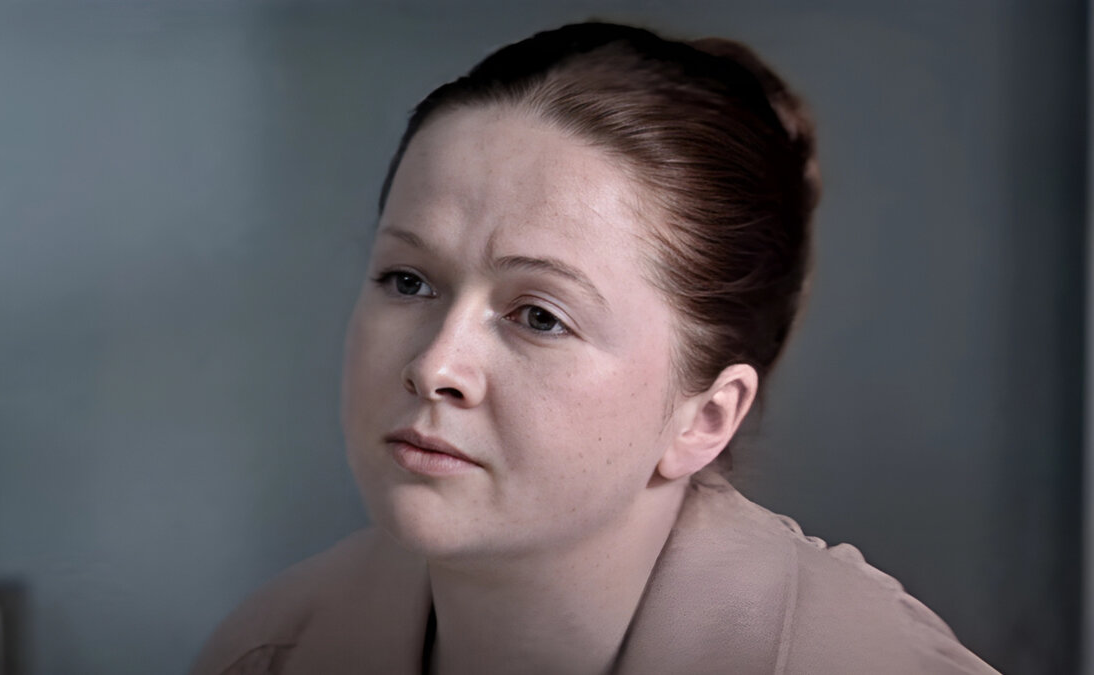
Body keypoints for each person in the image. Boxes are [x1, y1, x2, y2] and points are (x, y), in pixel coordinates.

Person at [190, 22, 998, 675]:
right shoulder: (274, 650)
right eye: (409, 280)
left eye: (540, 316)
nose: (435, 366)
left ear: (705, 417)